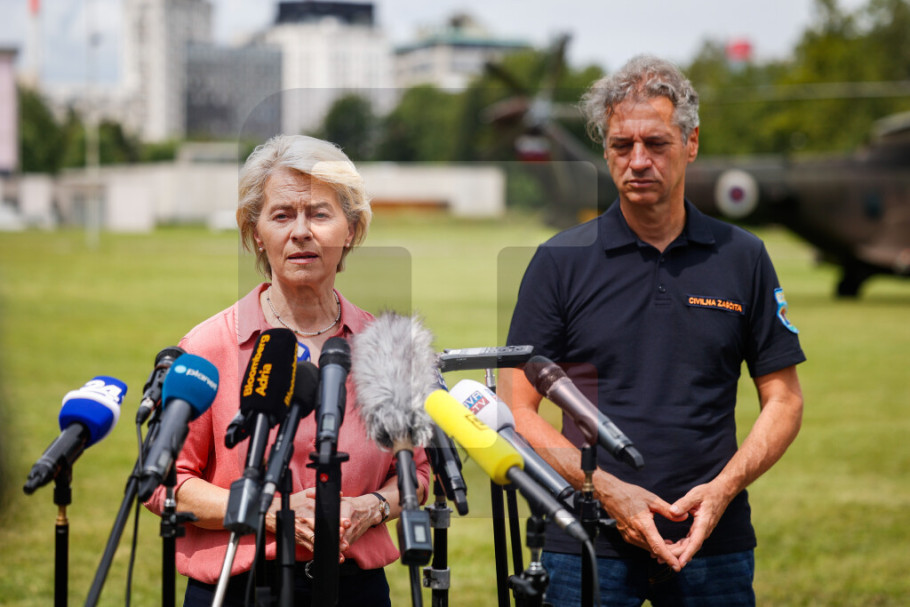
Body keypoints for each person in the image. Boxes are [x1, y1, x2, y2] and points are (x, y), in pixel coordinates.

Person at [501, 55, 805, 606]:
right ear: (605, 150)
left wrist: (723, 490)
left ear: (691, 143)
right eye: (622, 145)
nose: (638, 160)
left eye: (656, 143)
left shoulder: (743, 257)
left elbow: (783, 399)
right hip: (584, 544)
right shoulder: (559, 260)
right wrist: (605, 490)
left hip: (712, 544)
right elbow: (518, 409)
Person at [145, 134, 430, 606]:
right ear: (257, 233)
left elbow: (418, 472)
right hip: (238, 587)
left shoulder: (388, 345)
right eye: (281, 215)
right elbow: (164, 483)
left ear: (351, 229)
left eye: (319, 214)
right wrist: (271, 511)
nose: (301, 232)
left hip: (356, 590)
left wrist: (371, 507)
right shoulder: (209, 346)